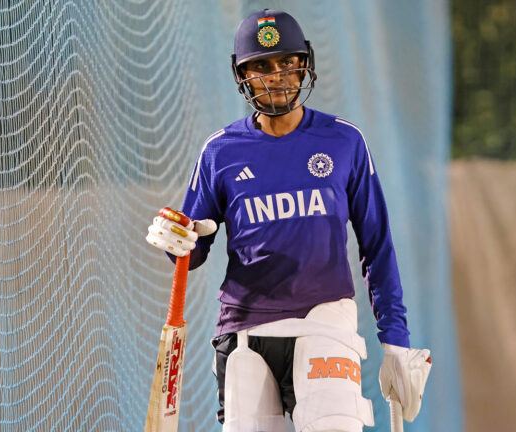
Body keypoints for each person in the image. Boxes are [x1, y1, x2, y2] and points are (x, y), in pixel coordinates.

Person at [145, 9, 431, 432]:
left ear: (305, 65)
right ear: (241, 73)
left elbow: (377, 246)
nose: (275, 75)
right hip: (243, 331)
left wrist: (395, 339)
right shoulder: (220, 152)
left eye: (286, 62)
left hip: (325, 319)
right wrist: (178, 241)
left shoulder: (343, 141)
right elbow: (193, 249)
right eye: (260, 65)